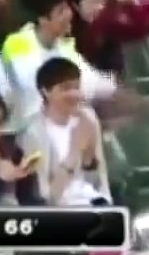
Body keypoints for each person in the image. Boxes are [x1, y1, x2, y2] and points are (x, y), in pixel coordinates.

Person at [1, 0, 117, 132]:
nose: (69, 14)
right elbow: (36, 95)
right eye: (61, 11)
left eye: (67, 7)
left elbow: (93, 83)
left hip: (61, 124)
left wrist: (117, 91)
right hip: (27, 130)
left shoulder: (63, 45)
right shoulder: (17, 43)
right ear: (43, 20)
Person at [23, 57, 111, 206]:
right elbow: (48, 198)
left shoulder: (88, 117)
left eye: (76, 87)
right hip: (63, 212)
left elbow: (99, 180)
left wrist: (88, 154)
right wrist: (74, 151)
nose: (74, 94)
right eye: (65, 88)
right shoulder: (33, 133)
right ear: (45, 91)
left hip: (93, 203)